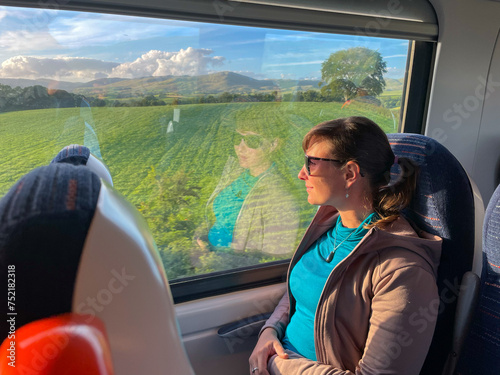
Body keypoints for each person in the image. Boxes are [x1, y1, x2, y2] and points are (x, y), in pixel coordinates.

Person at [249, 116, 442, 374]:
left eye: (311, 163)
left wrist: (278, 364)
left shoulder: (403, 271)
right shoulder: (328, 227)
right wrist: (270, 331)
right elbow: (303, 290)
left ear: (350, 173)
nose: (301, 174)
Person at [202, 110, 302, 256]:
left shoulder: (279, 197)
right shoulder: (235, 172)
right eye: (237, 138)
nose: (240, 148)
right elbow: (216, 218)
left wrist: (211, 256)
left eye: (252, 141)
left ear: (273, 144)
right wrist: (199, 240)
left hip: (226, 265)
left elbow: (271, 259)